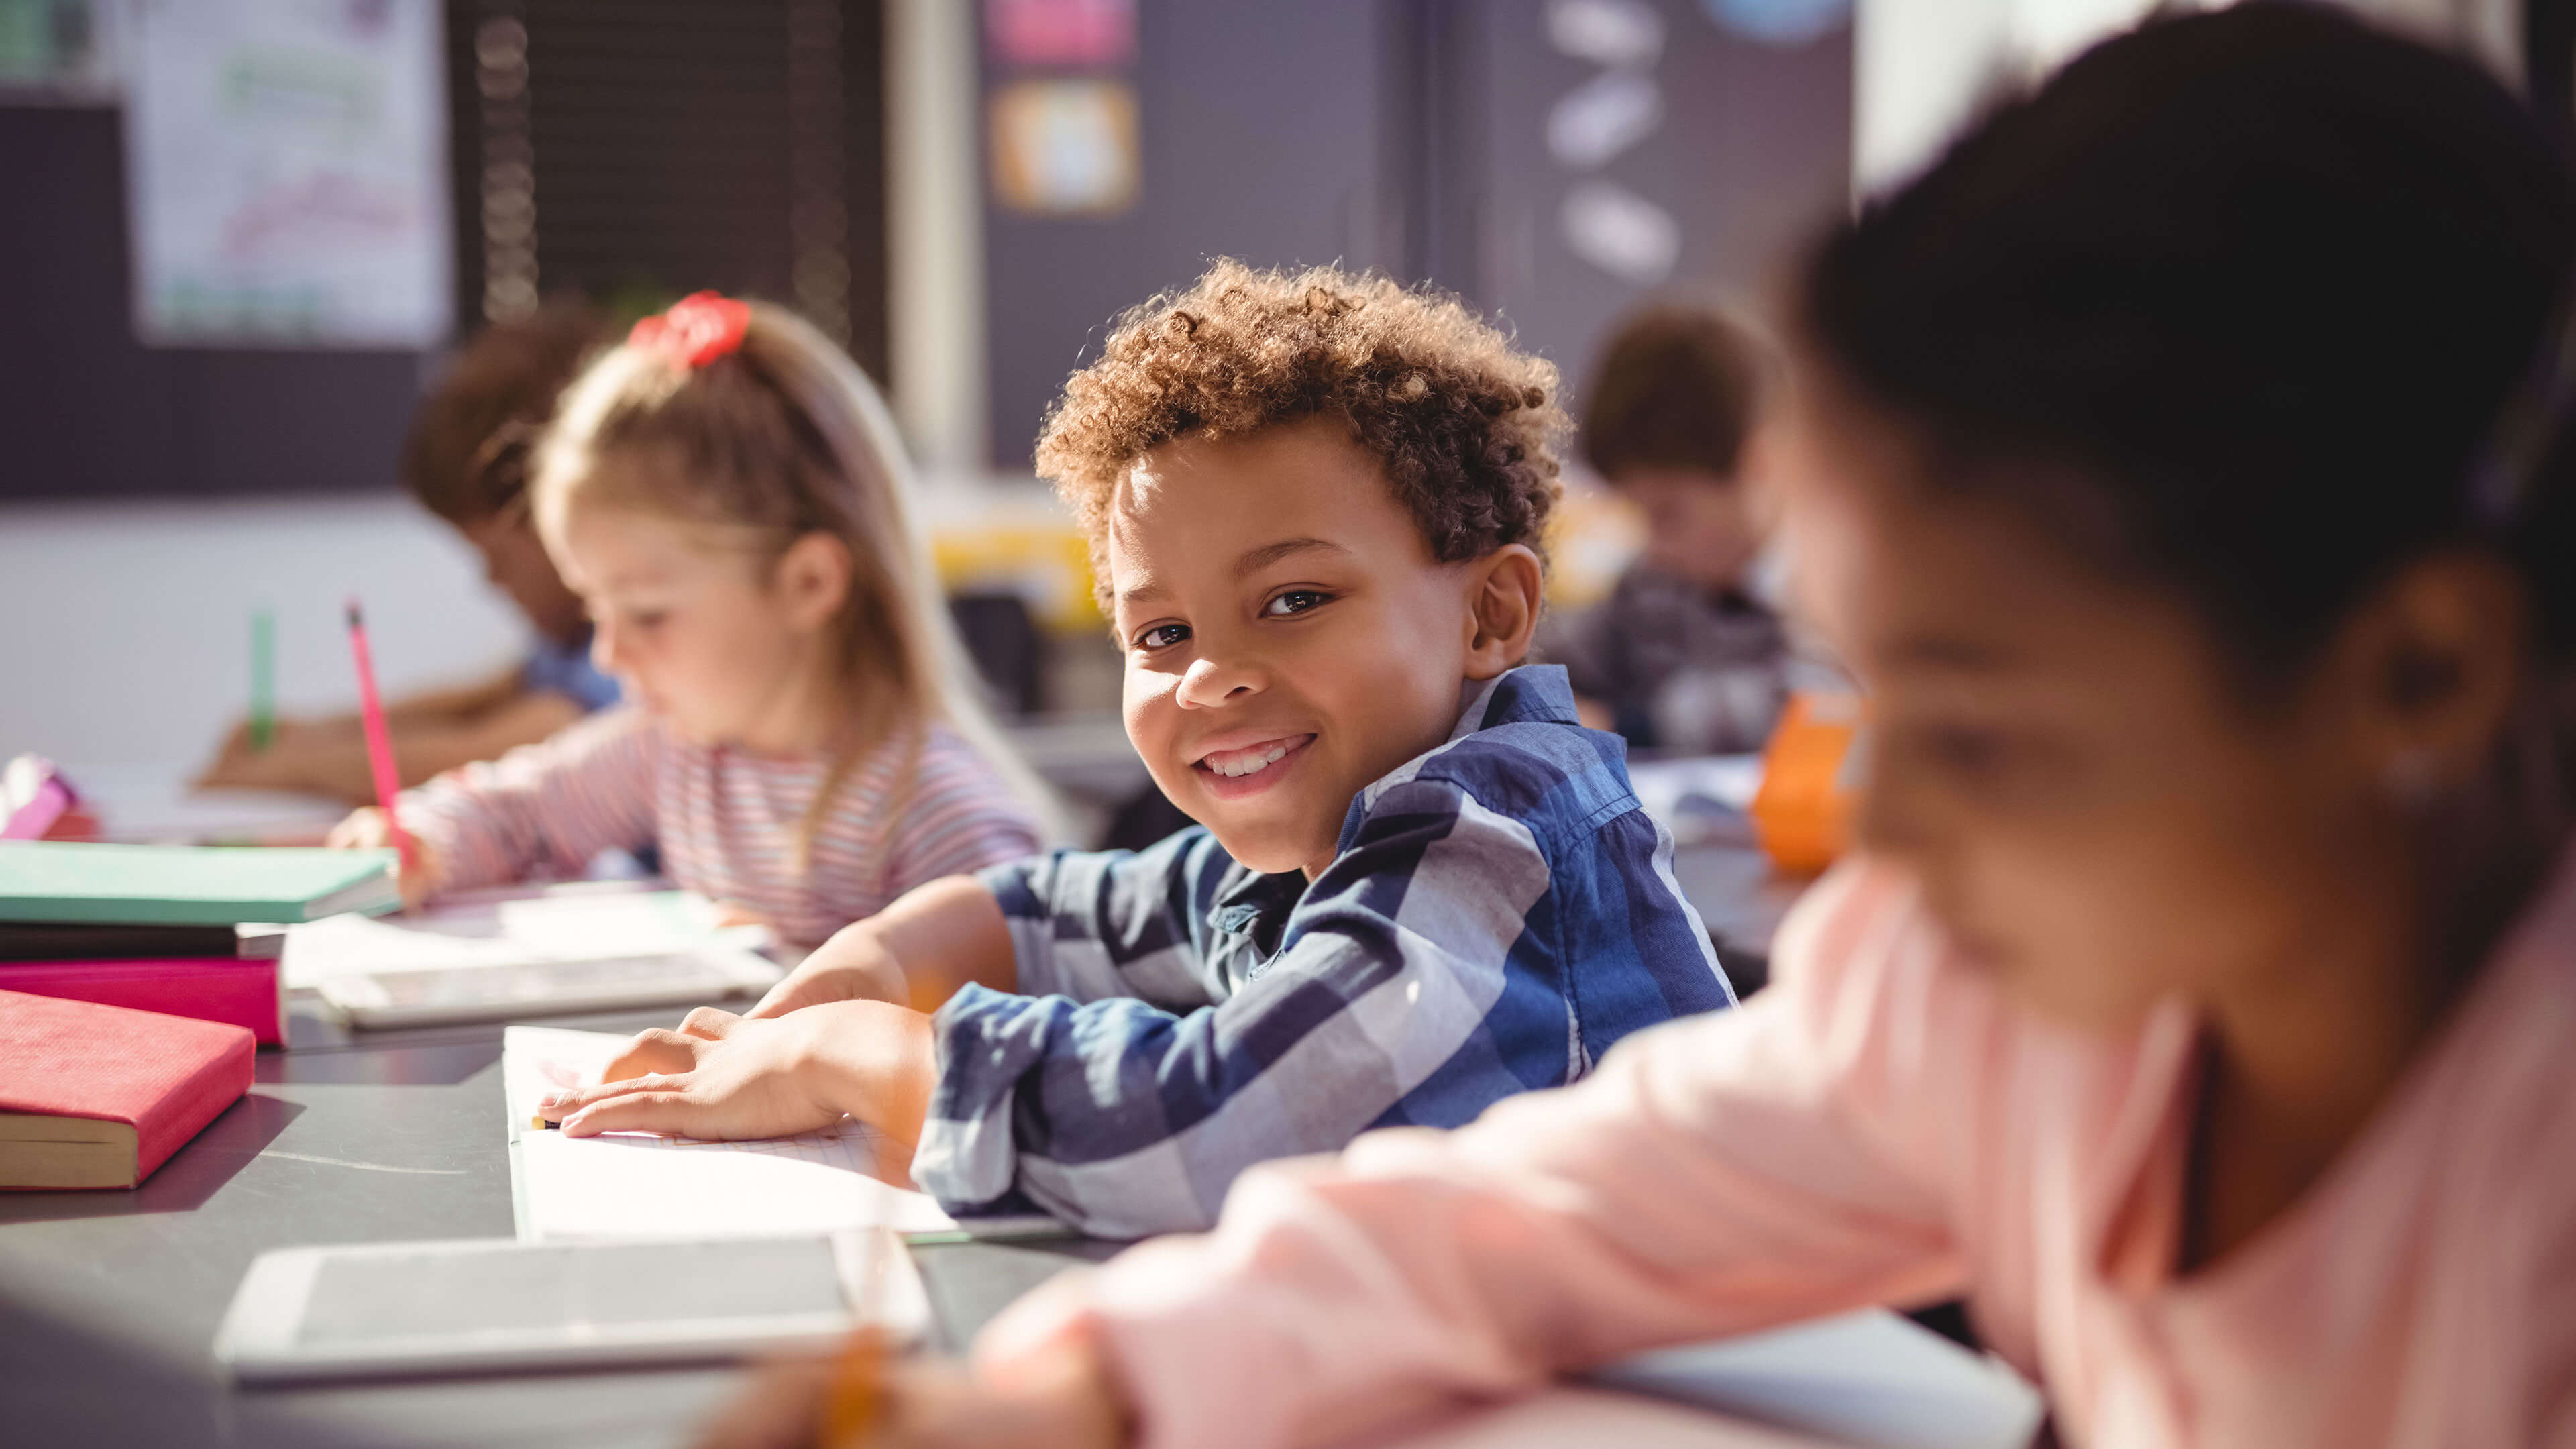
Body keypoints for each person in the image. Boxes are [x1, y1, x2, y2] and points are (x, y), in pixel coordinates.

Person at [690, 9, 2576, 1446]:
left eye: (1984, 720)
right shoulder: (1976, 1001)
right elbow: (1538, 1217)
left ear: (2415, 677)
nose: (1876, 823)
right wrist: (1087, 1385)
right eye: (1867, 680)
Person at [532, 262, 1738, 1238]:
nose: (1209, 675)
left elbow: (1218, 1133)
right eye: (1160, 631)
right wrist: (869, 964)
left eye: (1294, 599)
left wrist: (853, 1051)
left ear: (1490, 614)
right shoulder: (1318, 829)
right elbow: (1061, 911)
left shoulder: (1493, 841)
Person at [329, 294, 1050, 949]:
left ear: (807, 583)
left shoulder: (937, 817)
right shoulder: (676, 753)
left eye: (646, 613)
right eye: (594, 609)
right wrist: (421, 842)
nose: (609, 656)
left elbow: (1015, 1039)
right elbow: (516, 812)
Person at [197, 303, 621, 802]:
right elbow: (484, 700)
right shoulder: (569, 640)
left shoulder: (630, 635)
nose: (491, 582)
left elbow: (505, 747)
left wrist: (292, 766)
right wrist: (316, 731)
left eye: (497, 557)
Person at [1546, 301, 1792, 753]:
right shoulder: (1652, 583)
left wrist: (1627, 724)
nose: (1652, 545)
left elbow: (1800, 704)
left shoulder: (1817, 590)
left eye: (1668, 514)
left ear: (1760, 470)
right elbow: (1570, 657)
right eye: (1637, 514)